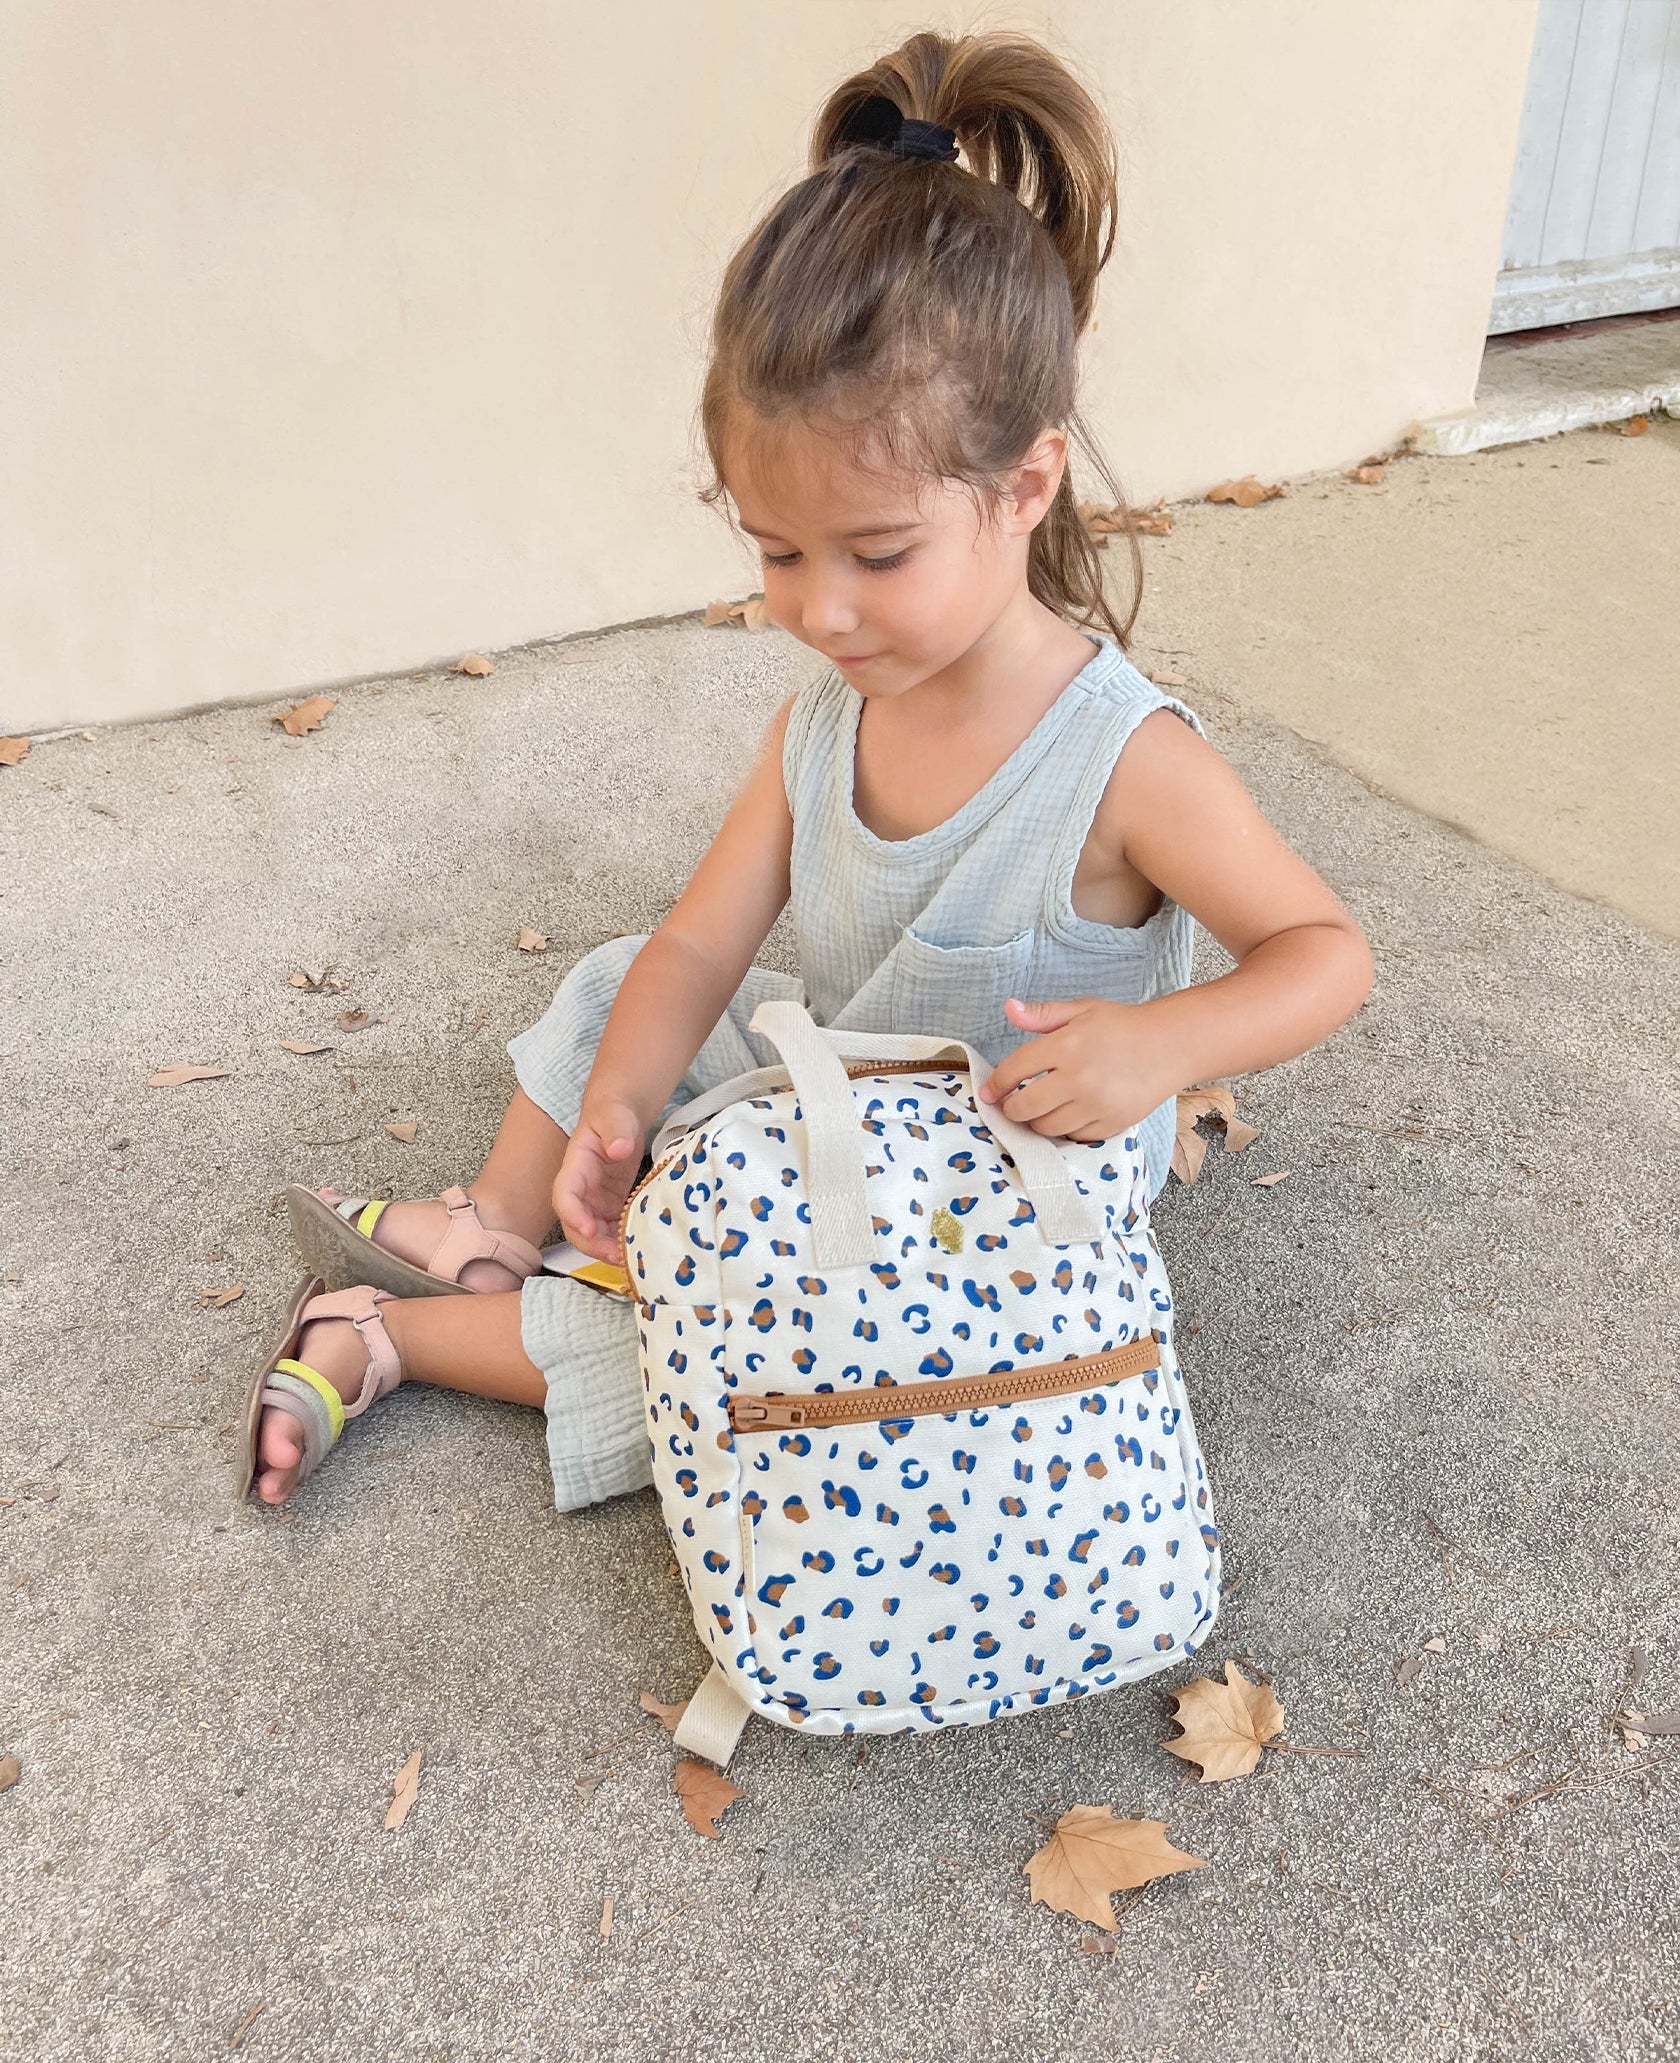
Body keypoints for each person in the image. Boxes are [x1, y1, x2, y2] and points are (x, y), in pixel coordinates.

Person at [241, 29, 1373, 1512]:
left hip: (994, 1203)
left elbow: (1325, 954)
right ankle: (505, 1222)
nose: (818, 608)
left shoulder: (1122, 760)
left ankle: (403, 1336)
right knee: (615, 989)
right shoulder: (824, 726)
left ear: (1025, 486)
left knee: (798, 1379)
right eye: (778, 552)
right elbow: (704, 940)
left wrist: (1160, 1049)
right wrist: (622, 1114)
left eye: (876, 554)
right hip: (828, 1113)